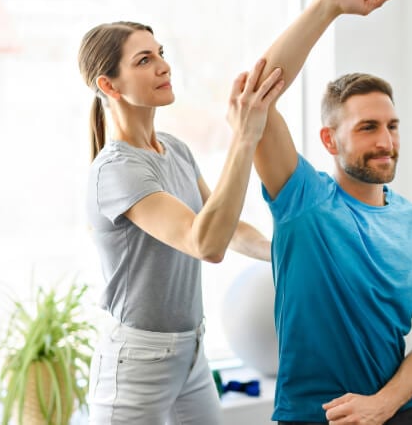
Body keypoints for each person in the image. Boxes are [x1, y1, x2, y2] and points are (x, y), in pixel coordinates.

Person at [251, 0, 412, 425]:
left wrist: (384, 403)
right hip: (314, 418)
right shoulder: (304, 202)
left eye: (392, 125)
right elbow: (255, 95)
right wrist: (328, 5)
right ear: (330, 139)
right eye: (368, 127)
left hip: (394, 414)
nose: (386, 142)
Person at [78, 21, 284, 424]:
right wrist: (244, 138)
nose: (163, 67)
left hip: (190, 354)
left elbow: (227, 226)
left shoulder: (175, 150)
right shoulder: (117, 170)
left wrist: (283, 253)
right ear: (110, 85)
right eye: (144, 60)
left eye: (161, 54)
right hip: (136, 364)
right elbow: (204, 243)